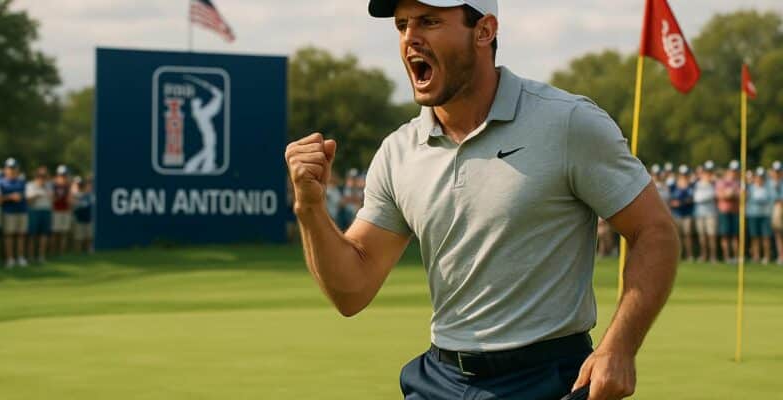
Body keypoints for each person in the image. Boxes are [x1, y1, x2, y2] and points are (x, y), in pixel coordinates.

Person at [284, 1, 679, 399]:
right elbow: (352, 290)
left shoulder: (567, 122)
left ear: (484, 31)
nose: (410, 38)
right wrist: (310, 209)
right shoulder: (398, 151)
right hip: (438, 380)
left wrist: (620, 347)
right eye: (402, 25)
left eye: (430, 21)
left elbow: (655, 231)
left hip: (546, 380)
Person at [0, 158, 29, 268]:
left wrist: (20, 196)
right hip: (8, 212)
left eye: (13, 168)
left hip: (22, 211)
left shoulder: (21, 181)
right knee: (9, 236)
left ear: (17, 169)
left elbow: (25, 195)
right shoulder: (1, 182)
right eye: (9, 168)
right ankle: (10, 259)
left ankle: (20, 257)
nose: (12, 170)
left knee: (21, 235)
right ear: (5, 169)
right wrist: (10, 197)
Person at [26, 166, 53, 264]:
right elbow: (28, 201)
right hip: (34, 211)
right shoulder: (30, 185)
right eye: (40, 176)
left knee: (44, 235)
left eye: (44, 176)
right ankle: (30, 256)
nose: (42, 178)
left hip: (46, 211)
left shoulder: (49, 186)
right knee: (32, 235)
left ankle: (41, 256)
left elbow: (53, 199)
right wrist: (36, 195)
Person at [693, 161, 718, 263]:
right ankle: (704, 255)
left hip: (711, 214)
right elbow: (696, 198)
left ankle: (713, 257)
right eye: (706, 172)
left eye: (709, 172)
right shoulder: (698, 184)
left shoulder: (714, 183)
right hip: (699, 213)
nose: (708, 174)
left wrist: (704, 197)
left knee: (711, 236)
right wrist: (705, 197)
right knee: (702, 236)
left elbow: (711, 195)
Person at [716, 161, 741, 263]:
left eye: (736, 171)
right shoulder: (721, 182)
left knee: (736, 235)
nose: (734, 173)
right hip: (724, 211)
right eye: (732, 170)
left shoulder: (740, 183)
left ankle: (736, 257)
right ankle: (727, 257)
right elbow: (720, 196)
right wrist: (731, 194)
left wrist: (731, 194)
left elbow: (744, 196)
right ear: (729, 171)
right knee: (725, 235)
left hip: (736, 211)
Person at [747, 167, 773, 264]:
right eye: (758, 177)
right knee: (754, 236)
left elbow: (771, 200)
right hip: (753, 214)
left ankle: (766, 257)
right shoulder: (750, 187)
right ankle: (756, 256)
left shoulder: (768, 188)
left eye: (761, 177)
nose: (760, 179)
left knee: (766, 236)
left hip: (765, 215)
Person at [669, 165, 695, 261]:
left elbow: (691, 199)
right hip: (676, 214)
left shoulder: (691, 185)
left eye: (685, 174)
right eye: (682, 174)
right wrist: (672, 203)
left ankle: (689, 255)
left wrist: (680, 203)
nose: (684, 176)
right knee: (677, 236)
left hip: (687, 213)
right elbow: (670, 198)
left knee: (687, 234)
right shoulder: (673, 185)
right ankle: (678, 255)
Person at [51, 165, 74, 255]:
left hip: (65, 210)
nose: (63, 177)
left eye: (64, 175)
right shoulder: (54, 185)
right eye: (61, 175)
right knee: (55, 232)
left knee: (64, 232)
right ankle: (53, 250)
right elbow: (52, 199)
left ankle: (61, 251)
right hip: (56, 211)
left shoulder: (68, 185)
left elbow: (70, 199)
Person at [72, 178, 95, 254]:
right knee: (78, 237)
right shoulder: (79, 195)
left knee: (89, 236)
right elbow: (75, 207)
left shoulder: (92, 196)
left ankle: (89, 250)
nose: (89, 188)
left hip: (89, 219)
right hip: (79, 219)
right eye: (88, 186)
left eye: (90, 186)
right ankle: (77, 251)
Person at [768, 161, 783, 265]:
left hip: (779, 208)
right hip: (772, 210)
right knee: (777, 234)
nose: (777, 173)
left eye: (779, 171)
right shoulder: (769, 183)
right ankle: (780, 255)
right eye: (775, 171)